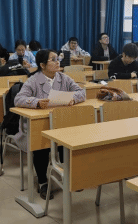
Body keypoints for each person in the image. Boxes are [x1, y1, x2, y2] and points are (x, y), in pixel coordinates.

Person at [14, 49, 86, 199]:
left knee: (67, 144)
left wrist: (74, 98)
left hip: (60, 124)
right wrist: (36, 102)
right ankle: (42, 182)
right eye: (53, 59)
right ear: (42, 65)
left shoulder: (64, 78)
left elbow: (81, 92)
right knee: (41, 148)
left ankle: (68, 175)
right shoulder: (33, 80)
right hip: (39, 126)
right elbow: (18, 99)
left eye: (58, 58)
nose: (58, 62)